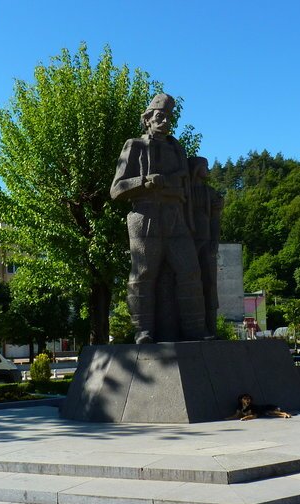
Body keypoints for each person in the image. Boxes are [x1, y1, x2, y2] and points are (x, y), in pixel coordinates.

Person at [111, 93, 209, 344]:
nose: (165, 121)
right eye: (159, 116)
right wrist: (145, 181)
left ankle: (195, 330)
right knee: (143, 273)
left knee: (190, 271)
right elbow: (116, 189)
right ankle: (143, 331)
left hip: (175, 215)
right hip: (145, 215)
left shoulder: (177, 149)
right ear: (147, 119)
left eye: (168, 117)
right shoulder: (134, 145)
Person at [188, 156, 223, 336]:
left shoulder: (210, 192)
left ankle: (212, 328)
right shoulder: (184, 193)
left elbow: (215, 221)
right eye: (205, 166)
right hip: (188, 243)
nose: (208, 170)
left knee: (210, 284)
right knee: (191, 284)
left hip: (207, 241)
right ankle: (195, 327)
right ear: (196, 169)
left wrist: (215, 241)